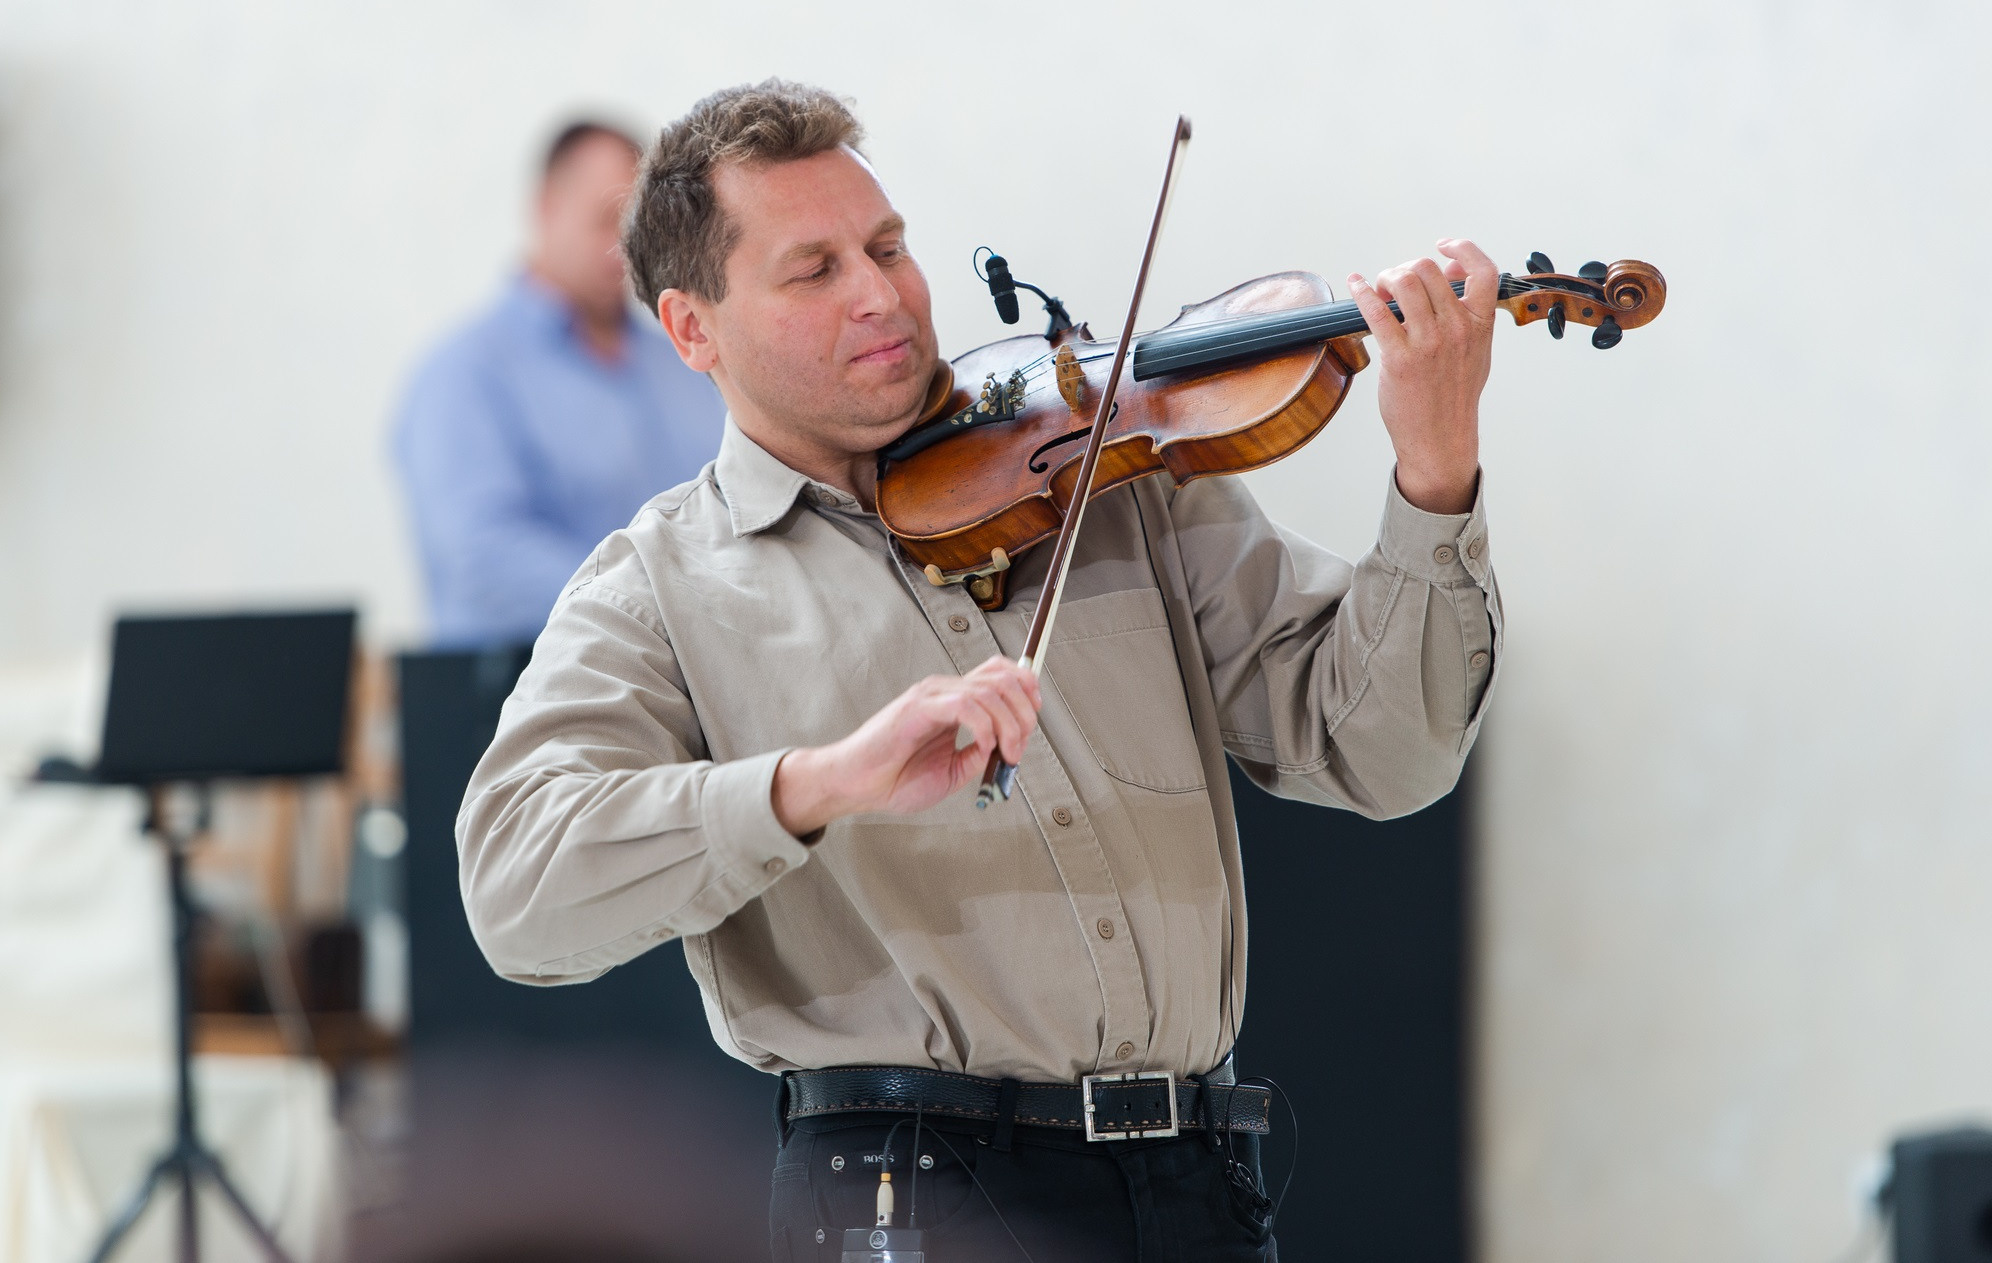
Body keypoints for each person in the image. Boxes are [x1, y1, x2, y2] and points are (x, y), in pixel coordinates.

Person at [456, 80, 1501, 1262]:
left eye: (888, 246)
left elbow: (1387, 755)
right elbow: (516, 893)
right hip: (910, 1203)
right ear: (693, 328)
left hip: (1200, 1183)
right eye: (814, 271)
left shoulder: (1112, 473)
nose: (882, 294)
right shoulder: (657, 585)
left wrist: (1432, 473)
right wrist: (814, 785)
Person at [394, 119, 728, 648]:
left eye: (637, 230)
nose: (623, 251)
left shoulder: (686, 361)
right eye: (604, 222)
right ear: (546, 208)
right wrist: (670, 604)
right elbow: (483, 561)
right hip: (523, 700)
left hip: (693, 687)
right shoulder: (464, 374)